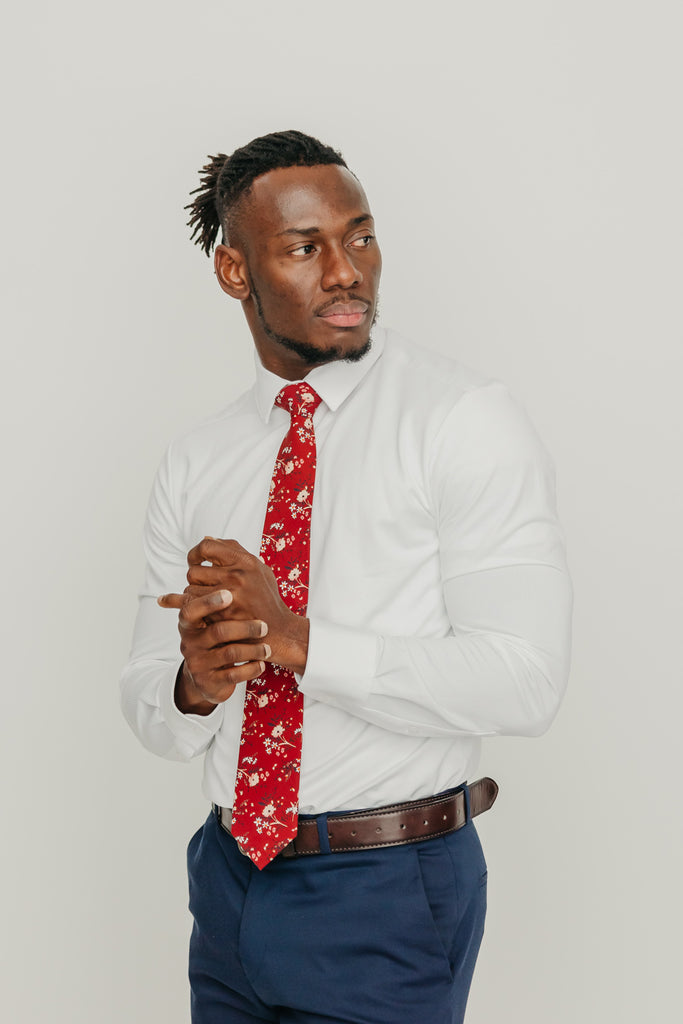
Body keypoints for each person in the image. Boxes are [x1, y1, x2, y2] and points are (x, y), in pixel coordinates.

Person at [120, 129, 572, 1024]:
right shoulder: (197, 460)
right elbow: (147, 705)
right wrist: (193, 688)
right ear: (235, 273)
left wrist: (298, 641)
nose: (344, 271)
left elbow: (526, 683)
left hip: (386, 889)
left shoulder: (462, 422)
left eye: (359, 237)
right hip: (227, 882)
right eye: (302, 247)